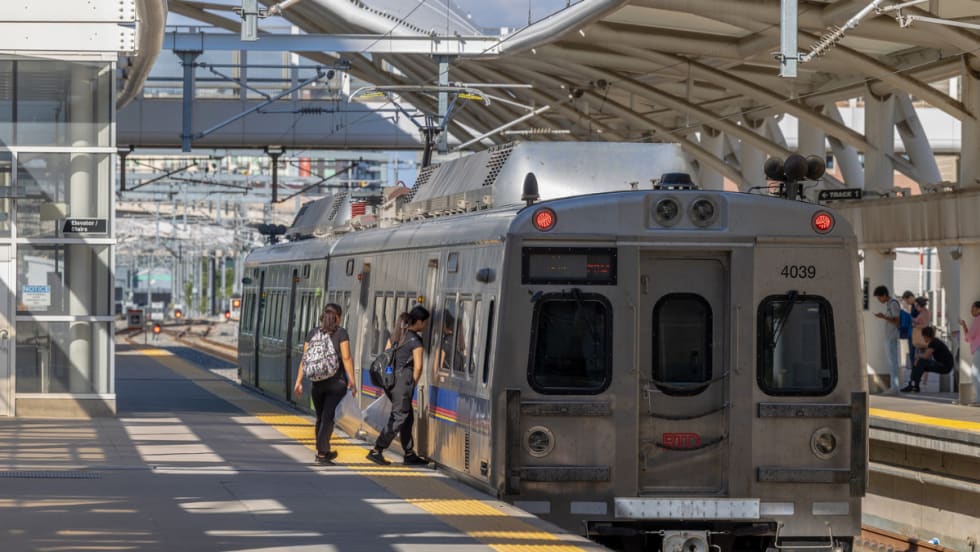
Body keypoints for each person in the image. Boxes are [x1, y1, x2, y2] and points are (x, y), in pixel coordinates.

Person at [293, 303, 356, 465]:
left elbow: (305, 359)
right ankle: (322, 454)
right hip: (336, 384)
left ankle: (323, 450)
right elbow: (347, 358)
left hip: (317, 384)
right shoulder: (341, 333)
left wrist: (299, 381)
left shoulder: (313, 333)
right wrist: (352, 381)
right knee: (328, 419)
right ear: (339, 317)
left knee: (321, 418)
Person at [367, 305, 430, 466]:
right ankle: (377, 450)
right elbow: (418, 366)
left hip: (390, 381)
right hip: (403, 383)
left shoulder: (397, 335)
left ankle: (409, 453)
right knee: (399, 416)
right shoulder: (415, 340)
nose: (425, 326)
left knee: (407, 417)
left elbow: (386, 355)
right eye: (425, 323)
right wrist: (413, 384)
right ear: (420, 322)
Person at [901, 326, 954, 392]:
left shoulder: (934, 342)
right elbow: (927, 356)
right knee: (920, 365)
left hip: (945, 367)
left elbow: (926, 356)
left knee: (920, 362)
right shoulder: (934, 341)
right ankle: (914, 385)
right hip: (944, 365)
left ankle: (913, 385)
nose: (923, 338)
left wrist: (918, 357)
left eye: (923, 336)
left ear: (926, 336)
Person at [873, 285, 903, 392]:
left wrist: (884, 317)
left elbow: (897, 321)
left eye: (879, 297)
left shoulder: (893, 304)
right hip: (889, 336)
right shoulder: (890, 304)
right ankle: (894, 385)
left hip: (892, 336)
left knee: (893, 361)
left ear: (884, 295)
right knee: (891, 361)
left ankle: (895, 386)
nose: (879, 300)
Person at [959, 301, 980, 405]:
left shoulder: (977, 320)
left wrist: (964, 325)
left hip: (979, 349)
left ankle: (979, 400)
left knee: (976, 374)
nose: (971, 311)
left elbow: (969, 336)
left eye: (973, 308)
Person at [912, 297, 932, 384]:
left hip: (921, 338)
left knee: (918, 358)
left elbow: (925, 325)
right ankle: (924, 380)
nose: (916, 307)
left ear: (920, 305)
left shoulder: (923, 313)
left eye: (917, 305)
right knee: (925, 358)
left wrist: (916, 325)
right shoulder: (927, 312)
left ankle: (918, 378)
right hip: (925, 338)